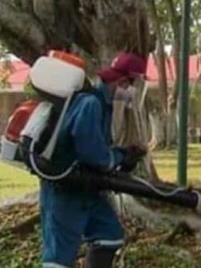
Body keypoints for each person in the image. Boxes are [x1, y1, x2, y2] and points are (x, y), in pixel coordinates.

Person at [40, 52, 147, 268]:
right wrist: (120, 158)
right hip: (66, 189)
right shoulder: (91, 103)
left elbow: (96, 144)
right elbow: (92, 153)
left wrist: (121, 153)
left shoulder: (101, 104)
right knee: (59, 257)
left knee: (109, 234)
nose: (132, 92)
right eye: (133, 85)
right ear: (123, 81)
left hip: (86, 188)